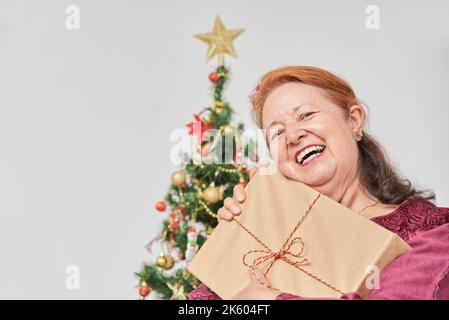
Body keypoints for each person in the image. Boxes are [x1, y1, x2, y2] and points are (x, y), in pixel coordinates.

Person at [188, 66, 449, 300]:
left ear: (354, 120)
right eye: (277, 132)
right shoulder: (263, 240)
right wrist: (236, 235)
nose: (292, 135)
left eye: (306, 115)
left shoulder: (433, 233)